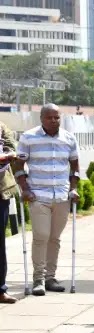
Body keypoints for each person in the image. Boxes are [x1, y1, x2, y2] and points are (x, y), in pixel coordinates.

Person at [13, 104, 80, 296]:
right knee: (41, 235)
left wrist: (74, 189)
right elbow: (19, 164)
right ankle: (38, 279)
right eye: (49, 117)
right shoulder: (29, 137)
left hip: (61, 195)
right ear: (41, 118)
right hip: (38, 195)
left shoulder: (68, 138)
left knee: (54, 238)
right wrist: (24, 189)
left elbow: (74, 166)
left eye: (57, 117)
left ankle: (51, 278)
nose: (53, 121)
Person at [0, 122, 18, 304]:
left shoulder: (2, 127)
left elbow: (12, 151)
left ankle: (0, 289)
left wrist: (5, 155)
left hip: (1, 192)